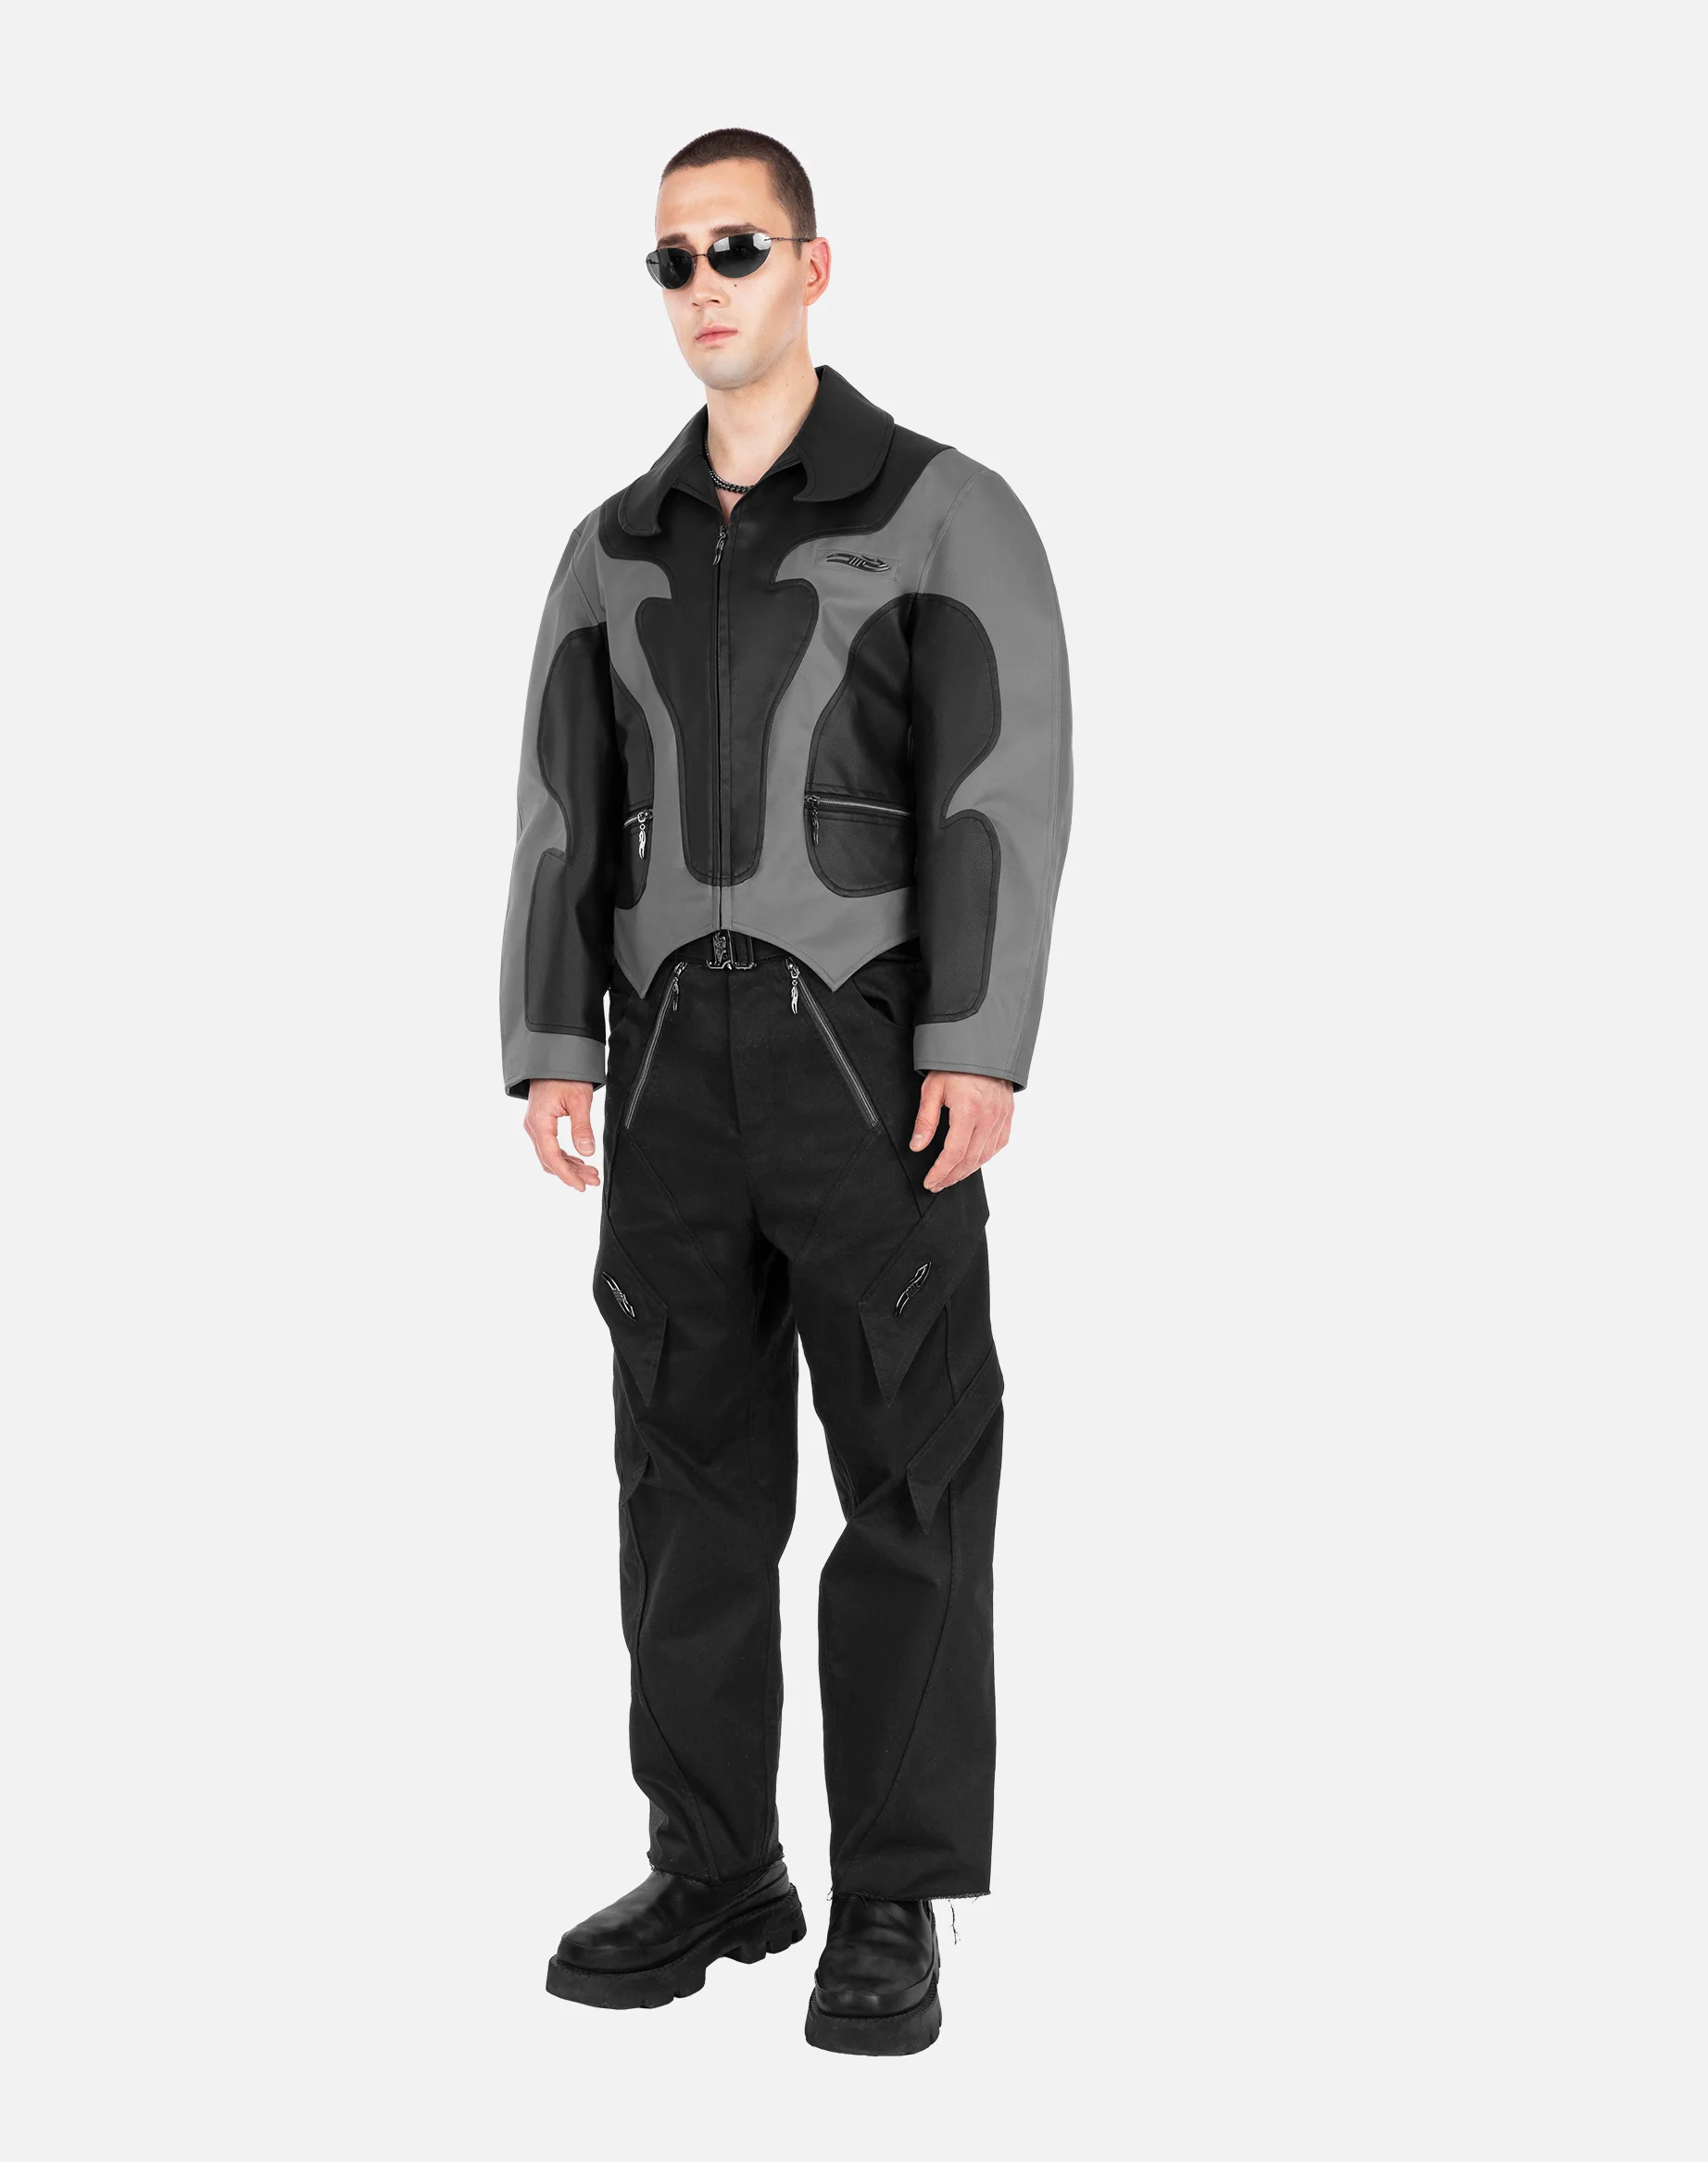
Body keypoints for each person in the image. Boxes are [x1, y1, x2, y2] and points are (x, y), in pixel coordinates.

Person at [495, 126, 1074, 2056]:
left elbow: (1002, 786)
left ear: (812, 267)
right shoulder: (613, 545)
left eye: (734, 248)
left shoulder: (941, 511)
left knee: (911, 1478)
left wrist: (975, 1038)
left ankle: (892, 1896)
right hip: (670, 1073)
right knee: (682, 1481)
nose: (702, 286)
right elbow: (560, 804)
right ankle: (716, 1865)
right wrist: (554, 1042)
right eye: (670, 259)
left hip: (867, 1071)